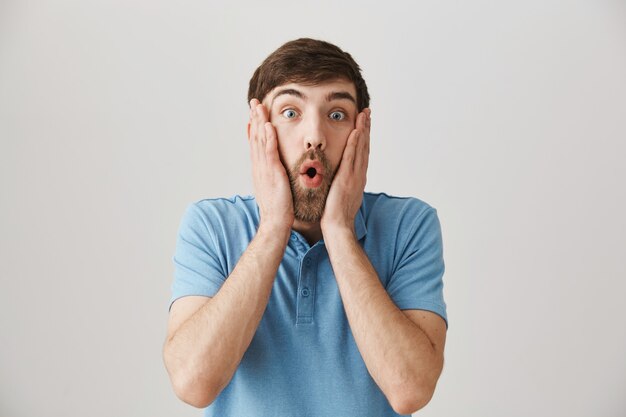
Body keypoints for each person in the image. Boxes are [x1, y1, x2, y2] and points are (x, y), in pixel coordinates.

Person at [163, 38, 448, 417]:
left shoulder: (409, 226)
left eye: (336, 114)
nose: (314, 136)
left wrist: (339, 231)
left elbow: (410, 389)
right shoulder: (212, 227)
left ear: (361, 136)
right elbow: (193, 383)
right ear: (257, 133)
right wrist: (273, 228)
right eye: (290, 112)